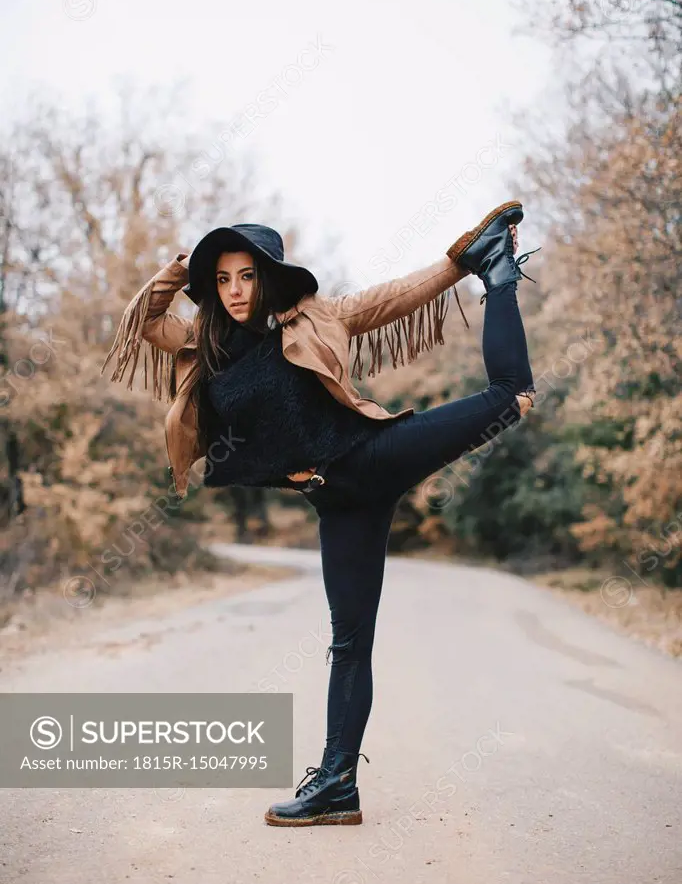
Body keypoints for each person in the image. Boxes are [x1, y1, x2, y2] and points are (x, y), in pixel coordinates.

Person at [100, 201, 539, 827]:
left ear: (270, 274)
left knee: (507, 396)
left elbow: (396, 298)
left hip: (374, 457)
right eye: (220, 279)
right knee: (349, 643)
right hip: (336, 504)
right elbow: (143, 322)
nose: (233, 291)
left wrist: (455, 267)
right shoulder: (206, 343)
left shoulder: (312, 317)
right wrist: (182, 268)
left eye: (245, 275)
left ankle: (498, 276)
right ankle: (337, 786)